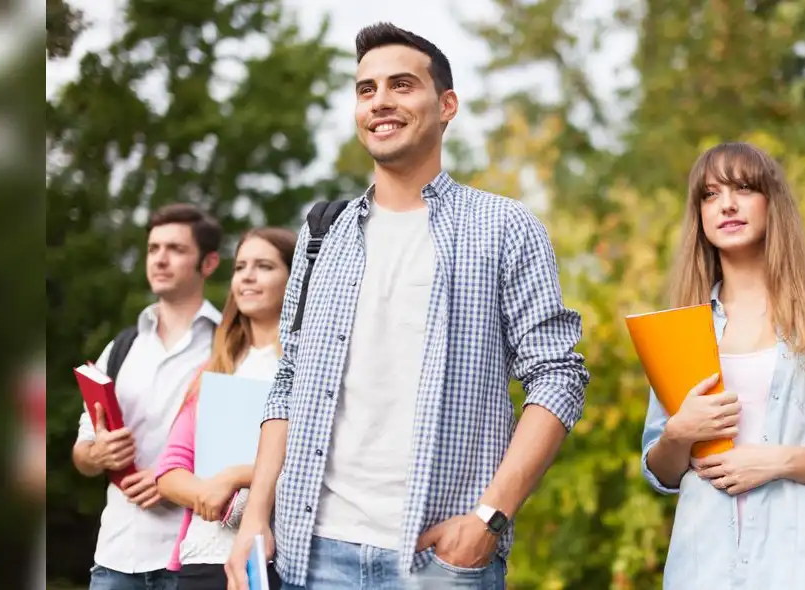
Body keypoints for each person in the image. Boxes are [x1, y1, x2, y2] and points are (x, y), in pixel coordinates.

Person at [224, 22, 589, 590]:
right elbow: (290, 380)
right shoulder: (323, 234)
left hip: (439, 561)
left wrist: (490, 517)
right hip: (309, 554)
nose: (380, 102)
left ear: (446, 106)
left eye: (401, 85)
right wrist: (254, 517)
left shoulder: (504, 227)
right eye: (366, 89)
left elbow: (557, 375)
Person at [639, 142, 805, 589]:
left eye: (744, 187)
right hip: (703, 570)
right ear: (699, 216)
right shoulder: (680, 330)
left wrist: (779, 461)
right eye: (709, 194)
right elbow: (661, 471)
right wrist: (679, 433)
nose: (726, 204)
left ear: (772, 203)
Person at [72, 203, 223, 590]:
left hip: (192, 562)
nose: (160, 258)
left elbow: (246, 454)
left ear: (208, 264)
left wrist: (175, 485)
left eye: (175, 249)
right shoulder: (121, 348)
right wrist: (98, 454)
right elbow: (82, 451)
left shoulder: (230, 348)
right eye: (154, 248)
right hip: (115, 558)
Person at [155, 228, 296, 590]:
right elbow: (170, 469)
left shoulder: (309, 370)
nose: (247, 276)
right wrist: (208, 492)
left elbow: (320, 465)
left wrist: (233, 477)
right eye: (240, 267)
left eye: (264, 266)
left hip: (275, 558)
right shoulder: (214, 370)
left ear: (295, 278)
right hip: (202, 558)